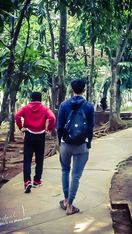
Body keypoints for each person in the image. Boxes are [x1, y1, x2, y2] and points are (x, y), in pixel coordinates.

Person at [57, 79, 94, 215]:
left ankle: (66, 200)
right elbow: (90, 128)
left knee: (65, 171)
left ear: (71, 89)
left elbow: (59, 127)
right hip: (81, 146)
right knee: (76, 176)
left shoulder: (63, 105)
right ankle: (70, 206)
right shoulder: (89, 106)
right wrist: (88, 143)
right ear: (84, 90)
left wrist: (59, 142)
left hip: (66, 144)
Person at [15, 92, 56, 193]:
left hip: (29, 135)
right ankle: (37, 180)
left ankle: (27, 181)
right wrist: (48, 128)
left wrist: (21, 127)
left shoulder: (25, 108)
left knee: (27, 159)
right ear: (40, 99)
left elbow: (17, 116)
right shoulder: (45, 108)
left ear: (31, 98)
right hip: (40, 136)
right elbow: (52, 118)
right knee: (39, 159)